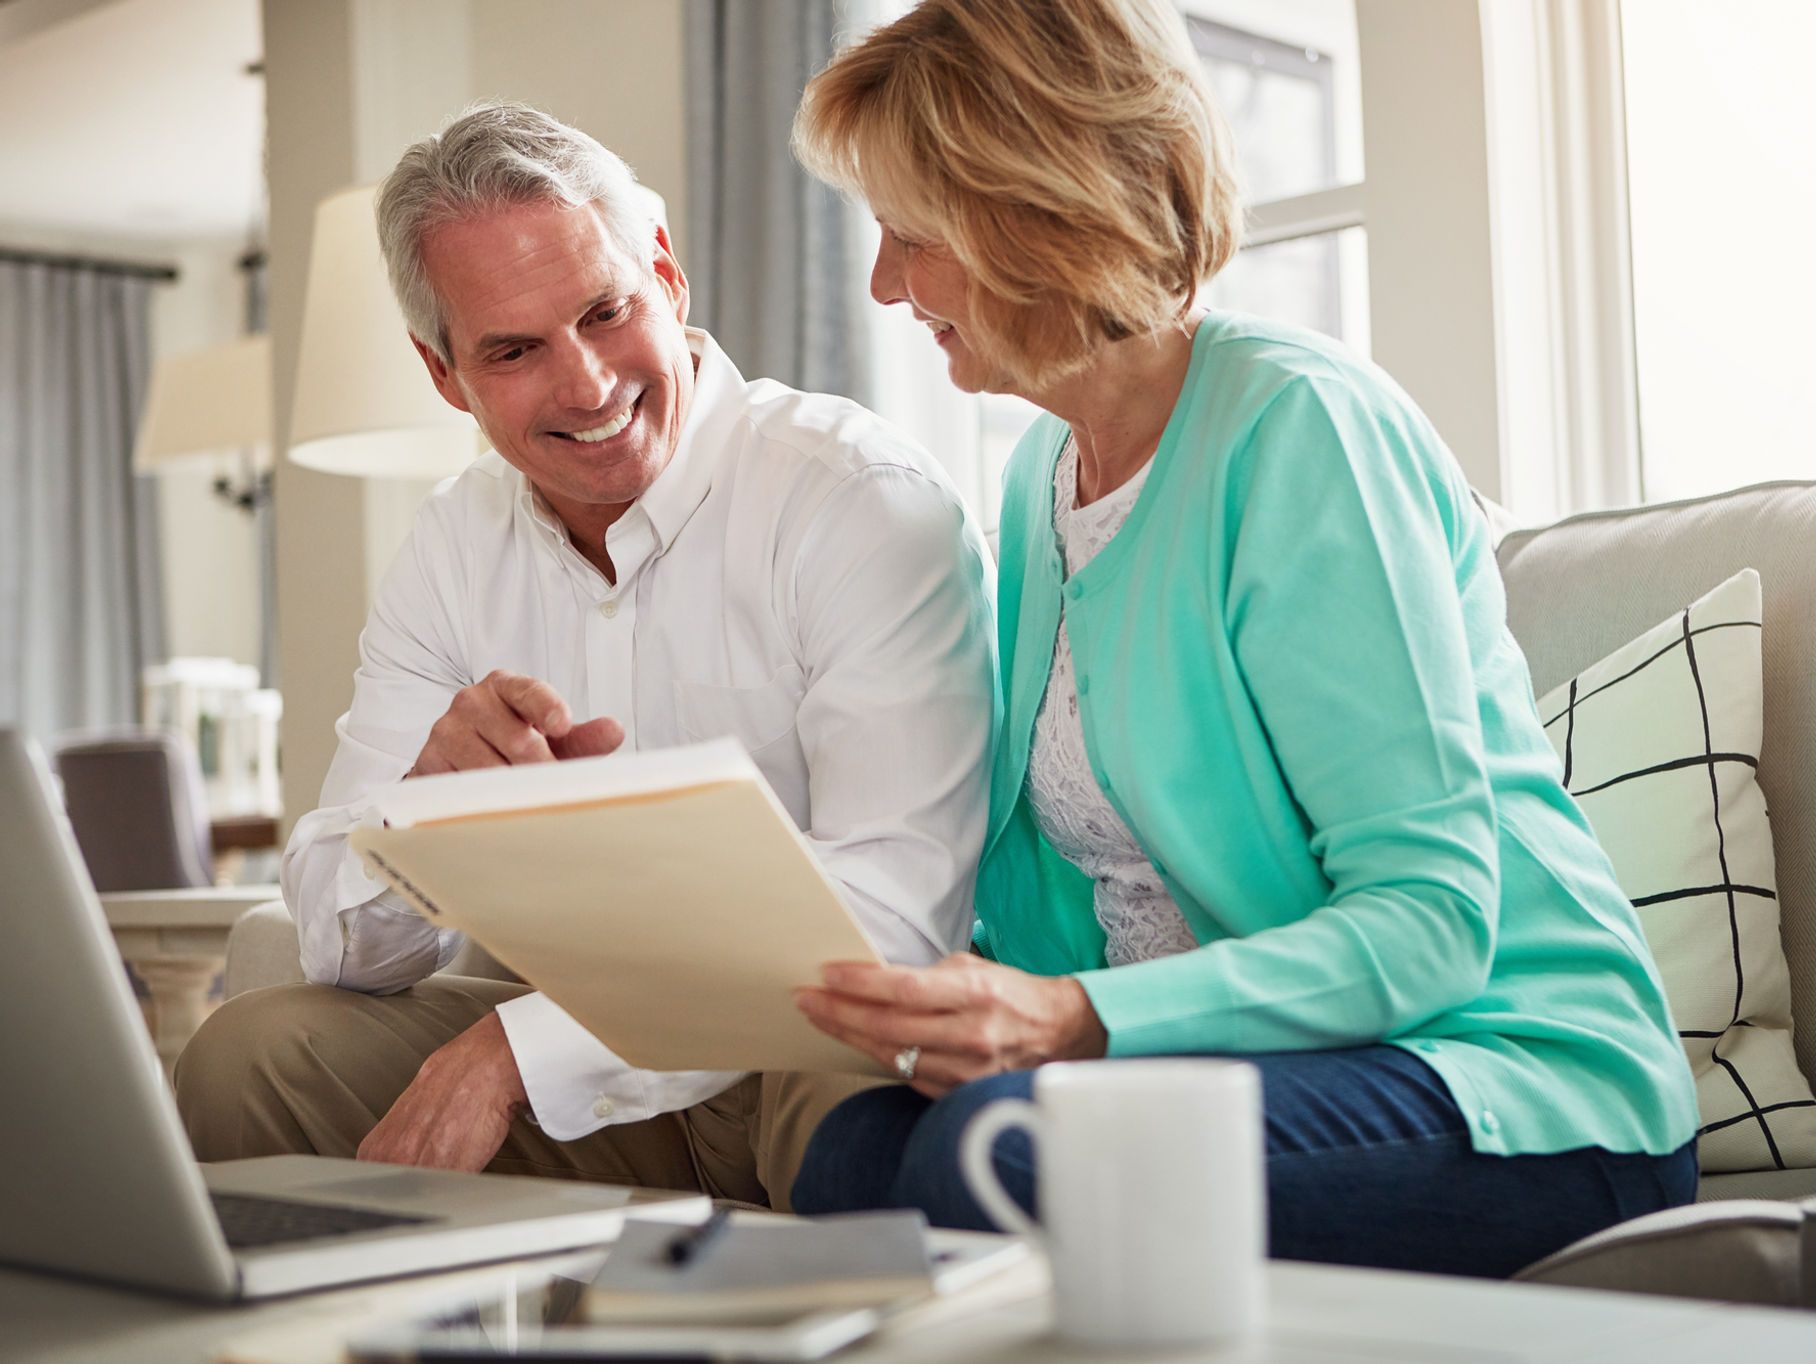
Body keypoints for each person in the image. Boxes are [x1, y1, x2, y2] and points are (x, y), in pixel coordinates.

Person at [785, 0, 1699, 1275]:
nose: (885, 283)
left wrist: (1072, 1020)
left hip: (1507, 1082)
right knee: (852, 1160)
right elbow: (1078, 902)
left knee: (1003, 1151)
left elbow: (1431, 920)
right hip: (1253, 1069)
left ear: (1032, 217)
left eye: (910, 236)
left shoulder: (1300, 429)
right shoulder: (1040, 472)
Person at [174, 102, 997, 1212]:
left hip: (811, 1044)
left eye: (605, 312)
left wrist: (521, 1052)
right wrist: (419, 813)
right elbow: (342, 939)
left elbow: (895, 911)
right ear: (444, 374)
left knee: (849, 1108)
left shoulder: (855, 498)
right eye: (512, 351)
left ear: (666, 275)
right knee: (247, 1056)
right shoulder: (456, 541)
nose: (585, 385)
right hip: (594, 1089)